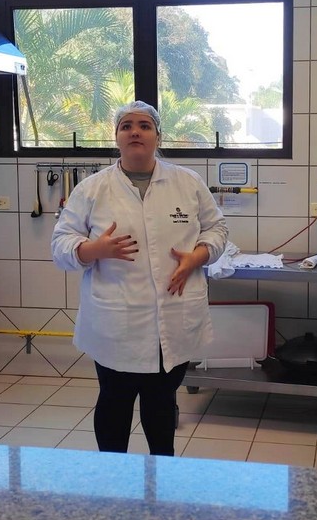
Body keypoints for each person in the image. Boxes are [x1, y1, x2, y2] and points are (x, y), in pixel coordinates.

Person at [51, 100, 229, 456]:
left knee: (161, 403)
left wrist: (196, 258)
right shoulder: (93, 189)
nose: (135, 132)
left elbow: (217, 229)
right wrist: (94, 249)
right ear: (116, 137)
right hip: (115, 322)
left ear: (158, 136)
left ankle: (161, 474)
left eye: (144, 126)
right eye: (127, 126)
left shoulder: (187, 182)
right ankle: (114, 476)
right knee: (114, 401)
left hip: (173, 317)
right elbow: (60, 244)